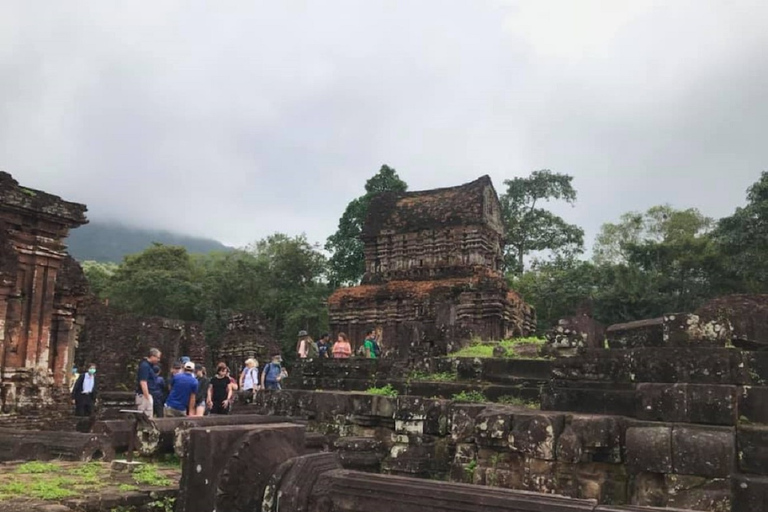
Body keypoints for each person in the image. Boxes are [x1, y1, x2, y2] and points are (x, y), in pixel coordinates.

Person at [136, 348, 162, 418]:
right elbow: (143, 382)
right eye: (158, 358)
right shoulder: (145, 366)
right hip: (145, 395)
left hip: (149, 394)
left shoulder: (150, 366)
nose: (158, 360)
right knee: (146, 417)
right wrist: (147, 397)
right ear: (152, 356)